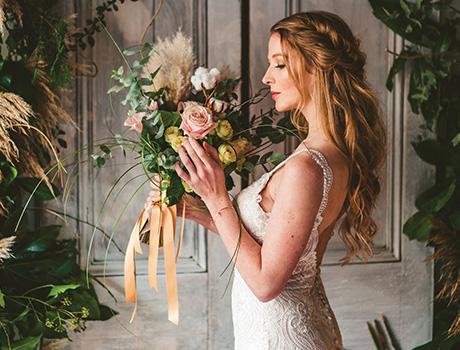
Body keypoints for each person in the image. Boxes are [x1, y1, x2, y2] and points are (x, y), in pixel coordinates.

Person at [174, 10, 386, 350]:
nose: (266, 77)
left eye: (279, 64)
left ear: (316, 67)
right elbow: (274, 244)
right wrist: (203, 212)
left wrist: (218, 199)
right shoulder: (326, 154)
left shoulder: (308, 167)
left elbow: (265, 283)